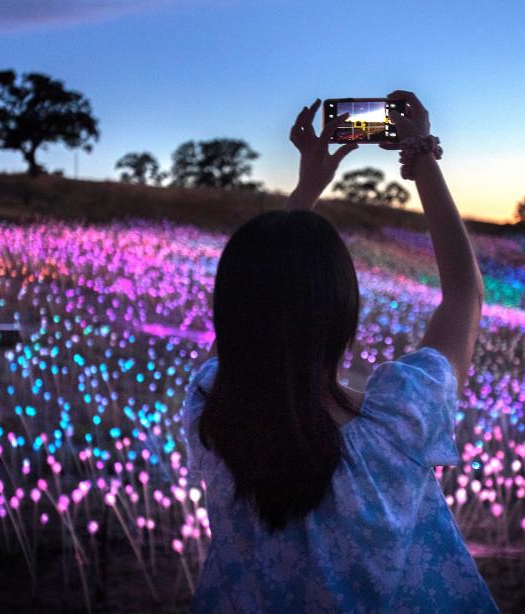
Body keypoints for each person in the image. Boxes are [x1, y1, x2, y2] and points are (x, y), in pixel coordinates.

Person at [181, 91, 497, 612]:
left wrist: (307, 190)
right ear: (345, 318)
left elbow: (250, 324)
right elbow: (465, 292)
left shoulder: (213, 417)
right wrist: (422, 159)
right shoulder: (398, 421)